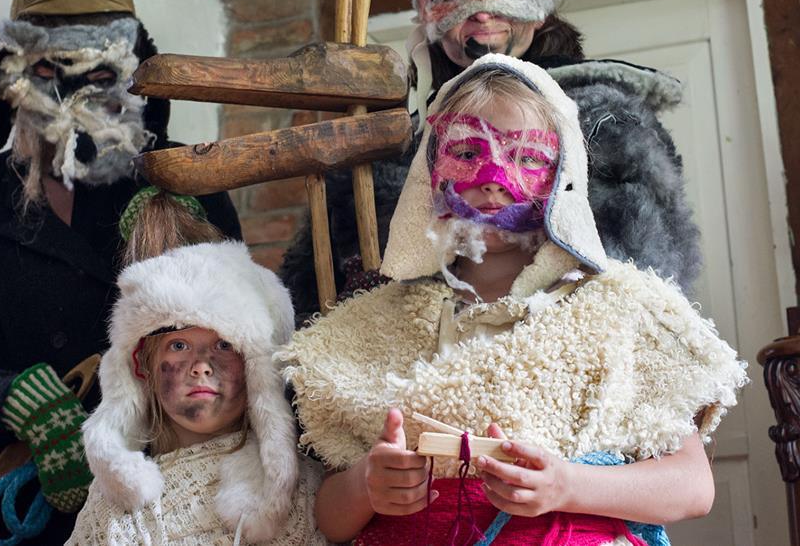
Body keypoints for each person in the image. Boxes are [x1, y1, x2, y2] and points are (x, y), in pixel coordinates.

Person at [279, 54, 747, 544]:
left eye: (526, 157)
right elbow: (326, 521)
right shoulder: (371, 329)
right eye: (467, 152)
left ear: (563, 176)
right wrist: (366, 486)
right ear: (431, 175)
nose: (491, 177)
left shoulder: (618, 313)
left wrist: (568, 486)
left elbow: (693, 488)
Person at [0, 0, 241, 545]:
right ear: (14, 75)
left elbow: (242, 337)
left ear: (131, 72)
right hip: (11, 513)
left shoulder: (185, 180)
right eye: (51, 69)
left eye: (100, 71)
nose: (74, 94)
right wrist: (16, 403)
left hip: (164, 504)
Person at [280, 0, 699, 322]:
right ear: (427, 14)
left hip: (560, 336)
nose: (480, 12)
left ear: (539, 7)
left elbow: (640, 261)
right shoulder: (399, 134)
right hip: (417, 342)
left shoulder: (603, 120)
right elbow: (330, 266)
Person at [67, 193, 326, 545]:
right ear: (143, 367)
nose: (201, 367)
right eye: (178, 346)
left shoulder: (303, 487)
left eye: (223, 345)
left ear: (257, 366)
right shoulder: (113, 508)